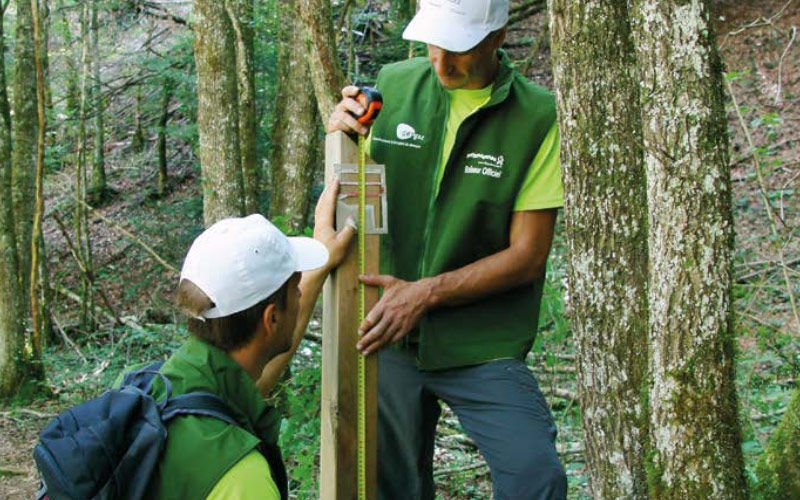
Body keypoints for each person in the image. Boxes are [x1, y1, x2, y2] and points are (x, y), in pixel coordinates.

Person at [326, 0, 567, 498]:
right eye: (434, 42)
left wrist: (425, 294)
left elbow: (527, 255)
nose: (440, 61)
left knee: (534, 474)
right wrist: (342, 142)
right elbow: (352, 208)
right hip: (384, 332)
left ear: (497, 37)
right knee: (392, 485)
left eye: (458, 47)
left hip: (480, 342)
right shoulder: (394, 86)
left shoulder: (537, 117)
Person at [142, 182, 354, 499]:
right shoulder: (243, 478)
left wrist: (320, 266)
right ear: (271, 318)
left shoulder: (154, 390)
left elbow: (250, 383)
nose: (300, 294)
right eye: (295, 289)